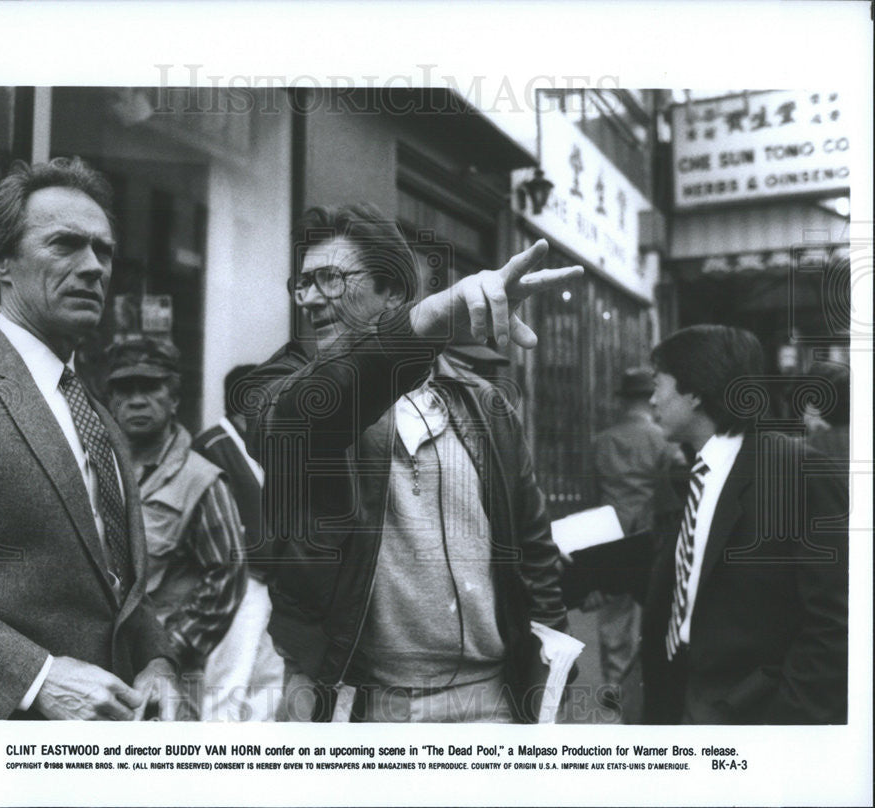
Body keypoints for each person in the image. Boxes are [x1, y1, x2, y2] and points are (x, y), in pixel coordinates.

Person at [244, 204, 583, 723]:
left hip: (494, 704)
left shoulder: (485, 405)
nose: (311, 299)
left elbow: (535, 556)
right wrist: (425, 324)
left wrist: (554, 684)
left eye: (330, 279)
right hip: (365, 709)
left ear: (395, 293)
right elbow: (301, 417)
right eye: (303, 283)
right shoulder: (289, 388)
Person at [0, 157, 181, 720]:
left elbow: (117, 592)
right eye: (65, 245)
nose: (94, 267)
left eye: (103, 250)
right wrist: (33, 678)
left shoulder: (99, 417)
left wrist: (156, 661)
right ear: (2, 261)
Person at [641, 325, 848, 724]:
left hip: (751, 715)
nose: (652, 401)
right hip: (680, 698)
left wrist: (782, 719)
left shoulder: (799, 472)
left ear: (695, 391)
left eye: (658, 384)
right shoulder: (692, 472)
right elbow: (701, 574)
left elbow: (835, 624)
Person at [106, 337, 248, 718]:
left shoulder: (201, 479)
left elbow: (227, 577)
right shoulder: (94, 471)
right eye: (125, 388)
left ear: (174, 399)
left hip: (171, 676)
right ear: (111, 400)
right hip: (98, 667)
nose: (136, 400)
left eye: (150, 387)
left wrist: (166, 652)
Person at [192, 365, 285, 720]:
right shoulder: (210, 446)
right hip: (236, 585)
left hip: (273, 583)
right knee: (227, 683)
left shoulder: (268, 444)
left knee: (268, 681)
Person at [588, 367, 683, 715]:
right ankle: (643, 682)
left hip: (609, 530)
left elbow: (591, 491)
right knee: (656, 608)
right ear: (649, 400)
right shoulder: (664, 440)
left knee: (613, 611)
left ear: (625, 400)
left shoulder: (602, 439)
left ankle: (614, 681)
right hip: (650, 533)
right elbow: (671, 491)